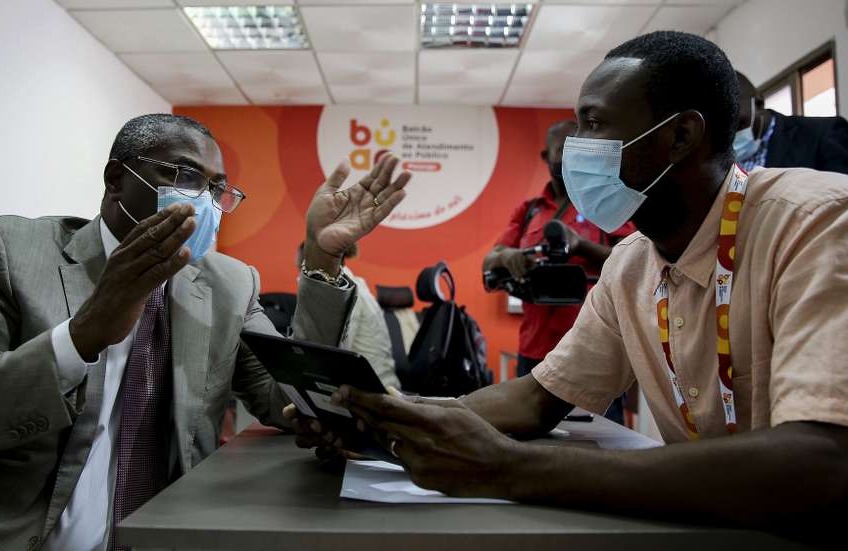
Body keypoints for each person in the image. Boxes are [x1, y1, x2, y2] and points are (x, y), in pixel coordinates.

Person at [326, 31, 848, 538]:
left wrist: (507, 468)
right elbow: (536, 400)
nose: (573, 149)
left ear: (681, 136)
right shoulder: (630, 263)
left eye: (594, 123)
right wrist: (383, 421)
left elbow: (820, 461)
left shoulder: (818, 222)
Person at [0, 114, 409, 551]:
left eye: (218, 189)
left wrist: (321, 255)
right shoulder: (7, 252)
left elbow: (284, 393)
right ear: (116, 180)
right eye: (185, 176)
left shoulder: (226, 283)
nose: (205, 201)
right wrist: (79, 338)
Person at [484, 121, 634, 382]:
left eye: (579, 151)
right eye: (564, 150)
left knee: (597, 424)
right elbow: (490, 261)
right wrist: (509, 257)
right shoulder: (528, 210)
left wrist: (581, 246)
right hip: (535, 348)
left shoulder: (607, 203)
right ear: (546, 156)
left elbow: (636, 262)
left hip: (595, 350)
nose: (571, 158)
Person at [297, 242, 401, 390]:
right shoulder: (353, 286)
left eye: (302, 271)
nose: (302, 277)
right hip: (376, 387)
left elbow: (334, 356)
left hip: (377, 392)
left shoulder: (345, 295)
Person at [734, 71, 848, 173]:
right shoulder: (726, 163)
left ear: (759, 103)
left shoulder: (823, 133)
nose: (732, 136)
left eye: (738, 124)